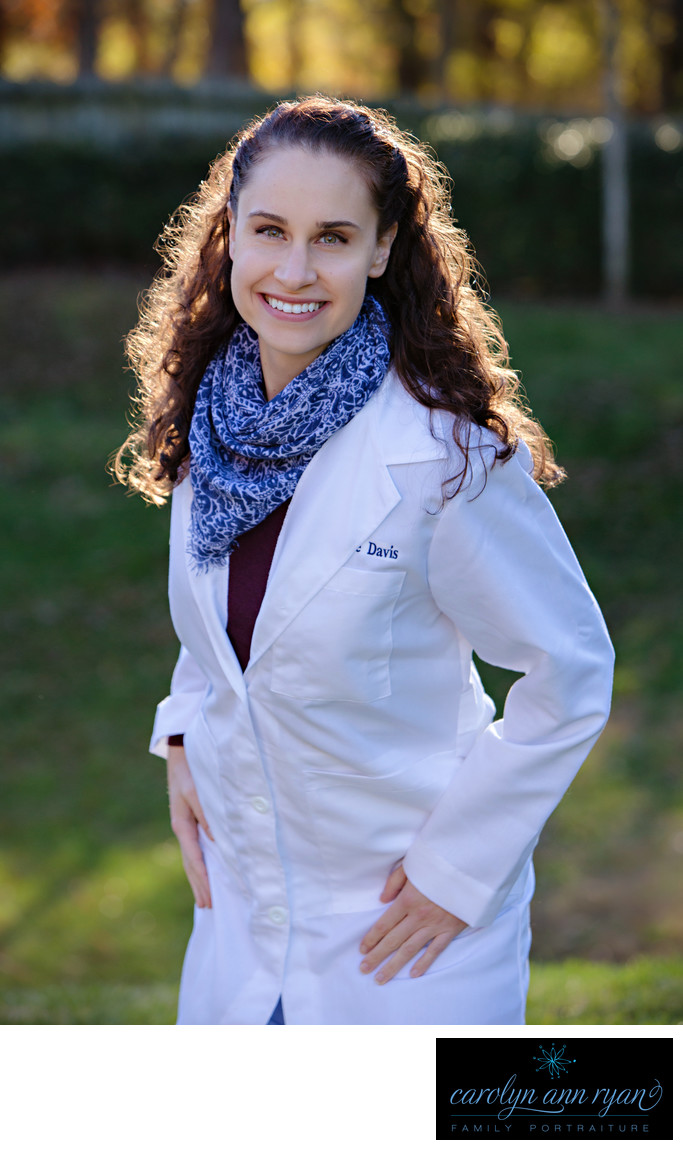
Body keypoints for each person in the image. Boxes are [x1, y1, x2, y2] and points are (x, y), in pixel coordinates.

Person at [115, 95, 614, 1025]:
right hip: (239, 924)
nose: (294, 271)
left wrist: (458, 873)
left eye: (333, 237)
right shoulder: (211, 428)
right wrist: (183, 727)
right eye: (268, 231)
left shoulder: (445, 456)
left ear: (381, 249)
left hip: (402, 939)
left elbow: (571, 670)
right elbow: (229, 635)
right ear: (229, 237)